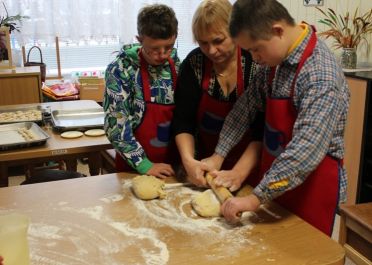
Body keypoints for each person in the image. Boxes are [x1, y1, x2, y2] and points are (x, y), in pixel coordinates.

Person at [204, 0, 350, 236]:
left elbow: (306, 151)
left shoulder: (321, 75)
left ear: (278, 31)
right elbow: (245, 108)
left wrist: (255, 198)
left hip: (311, 189)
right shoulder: (275, 62)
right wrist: (219, 154)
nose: (255, 58)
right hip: (277, 185)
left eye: (255, 49)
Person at [172, 0, 264, 188]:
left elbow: (261, 131)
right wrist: (189, 161)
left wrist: (238, 173)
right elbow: (184, 120)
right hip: (205, 164)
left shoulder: (255, 63)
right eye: (203, 43)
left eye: (218, 41)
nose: (211, 51)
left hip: (249, 167)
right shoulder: (194, 64)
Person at [104, 4, 180, 179]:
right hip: (134, 169)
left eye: (168, 47)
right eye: (154, 48)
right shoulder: (120, 71)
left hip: (173, 167)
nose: (162, 55)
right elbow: (117, 126)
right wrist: (144, 165)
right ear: (140, 39)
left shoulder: (178, 66)